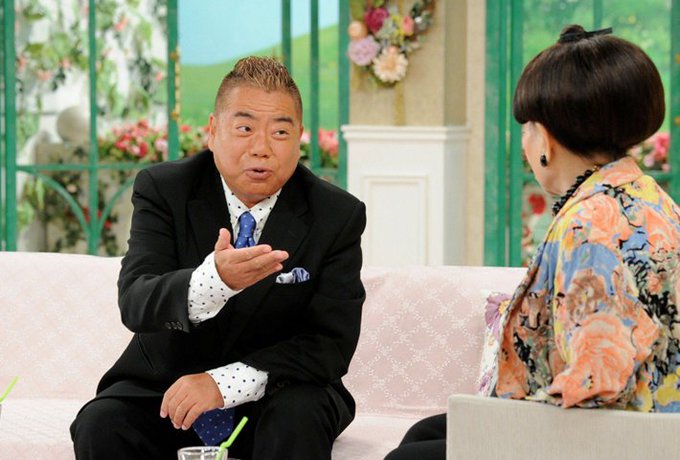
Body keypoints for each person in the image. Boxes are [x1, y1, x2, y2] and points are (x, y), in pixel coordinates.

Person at [385, 24, 680, 460]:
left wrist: (507, 417)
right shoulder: (644, 195)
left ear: (545, 138)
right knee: (426, 432)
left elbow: (595, 383)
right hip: (650, 420)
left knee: (408, 457)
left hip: (611, 437)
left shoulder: (590, 226)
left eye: (526, 128)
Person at [70, 56, 367, 460]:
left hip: (281, 389)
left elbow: (331, 343)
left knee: (298, 415)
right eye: (245, 128)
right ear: (213, 131)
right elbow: (137, 301)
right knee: (102, 424)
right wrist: (215, 281)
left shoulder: (336, 214)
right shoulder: (164, 189)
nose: (261, 148)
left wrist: (223, 384)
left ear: (299, 139)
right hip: (168, 387)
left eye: (280, 132)